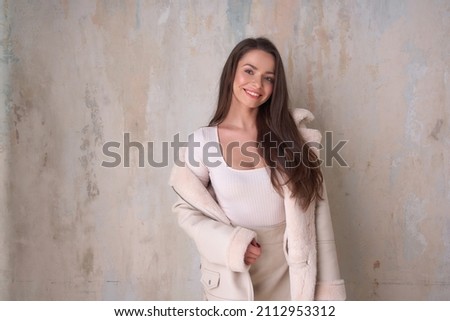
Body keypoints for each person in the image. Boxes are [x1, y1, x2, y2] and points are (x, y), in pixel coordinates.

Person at [169, 37, 345, 301]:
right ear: (232, 73)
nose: (257, 84)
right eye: (249, 71)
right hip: (232, 276)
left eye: (269, 78)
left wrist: (330, 295)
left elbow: (319, 217)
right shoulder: (203, 141)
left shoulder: (294, 139)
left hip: (292, 276)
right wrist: (231, 244)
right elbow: (186, 211)